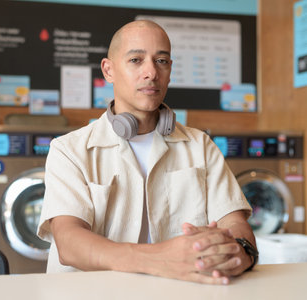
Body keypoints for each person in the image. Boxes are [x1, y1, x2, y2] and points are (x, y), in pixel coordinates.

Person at [37, 20, 257, 285]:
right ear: (109, 70)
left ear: (170, 70)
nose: (151, 72)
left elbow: (235, 225)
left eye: (161, 61)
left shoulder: (200, 145)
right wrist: (160, 258)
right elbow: (69, 243)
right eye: (136, 60)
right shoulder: (68, 150)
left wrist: (239, 253)